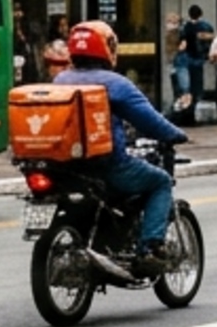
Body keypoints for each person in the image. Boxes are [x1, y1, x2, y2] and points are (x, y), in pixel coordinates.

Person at [51, 23, 190, 278]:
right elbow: (149, 120)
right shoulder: (116, 84)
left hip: (66, 167)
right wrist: (176, 135)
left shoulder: (62, 79)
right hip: (108, 165)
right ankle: (148, 248)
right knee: (160, 181)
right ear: (108, 48)